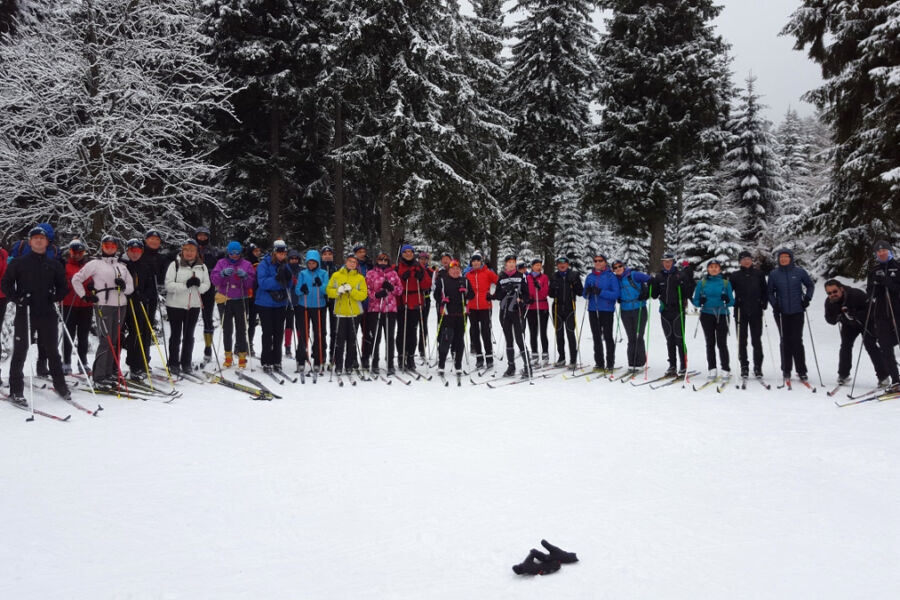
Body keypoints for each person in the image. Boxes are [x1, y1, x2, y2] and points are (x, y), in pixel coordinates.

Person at [0, 226, 71, 404]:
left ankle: (61, 385)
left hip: (47, 312)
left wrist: (55, 297)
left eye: (42, 238)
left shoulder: (54, 264)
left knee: (53, 351)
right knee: (21, 351)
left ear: (47, 242)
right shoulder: (19, 263)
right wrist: (18, 298)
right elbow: (6, 284)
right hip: (26, 312)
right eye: (35, 238)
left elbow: (63, 287)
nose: (39, 241)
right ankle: (16, 390)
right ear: (30, 242)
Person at [71, 235, 135, 388]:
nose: (110, 248)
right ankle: (99, 375)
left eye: (113, 246)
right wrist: (85, 296)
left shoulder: (122, 266)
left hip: (120, 304)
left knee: (115, 340)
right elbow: (76, 279)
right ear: (102, 247)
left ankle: (109, 372)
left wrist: (124, 287)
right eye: (107, 245)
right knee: (105, 341)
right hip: (104, 304)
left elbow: (131, 287)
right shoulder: (95, 264)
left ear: (117, 248)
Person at [823, 279, 888, 386]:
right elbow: (830, 320)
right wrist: (838, 316)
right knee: (845, 346)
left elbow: (872, 309)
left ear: (841, 289)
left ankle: (883, 377)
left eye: (835, 291)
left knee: (870, 346)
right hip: (849, 325)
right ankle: (843, 375)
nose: (832, 295)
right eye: (829, 293)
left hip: (867, 323)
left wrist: (856, 314)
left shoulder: (855, 294)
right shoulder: (829, 302)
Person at [162, 239, 210, 375]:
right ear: (182, 251)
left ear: (196, 252)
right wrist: (185, 285)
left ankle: (186, 362)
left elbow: (207, 285)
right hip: (175, 305)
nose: (189, 253)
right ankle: (173, 363)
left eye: (192, 250)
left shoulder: (202, 267)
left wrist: (198, 285)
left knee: (189, 335)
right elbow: (168, 285)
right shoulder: (175, 265)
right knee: (176, 335)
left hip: (194, 305)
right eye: (186, 250)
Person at [767, 248, 814, 382]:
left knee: (797, 340)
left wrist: (807, 299)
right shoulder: (774, 274)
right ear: (778, 259)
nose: (784, 259)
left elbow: (810, 285)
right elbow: (769, 292)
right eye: (781, 257)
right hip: (781, 312)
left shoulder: (799, 272)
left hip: (797, 310)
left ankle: (801, 370)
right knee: (785, 340)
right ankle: (786, 369)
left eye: (786, 257)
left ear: (791, 258)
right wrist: (774, 304)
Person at [210, 241, 255, 369]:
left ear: (240, 253)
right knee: (227, 329)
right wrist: (222, 274)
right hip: (225, 299)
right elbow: (214, 279)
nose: (234, 255)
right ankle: (228, 356)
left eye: (237, 252)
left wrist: (245, 277)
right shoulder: (221, 263)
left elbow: (251, 283)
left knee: (241, 328)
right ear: (228, 253)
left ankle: (242, 356)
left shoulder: (246, 264)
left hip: (241, 298)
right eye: (232, 253)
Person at [651, 252, 695, 377]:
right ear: (662, 262)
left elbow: (688, 291)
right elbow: (654, 295)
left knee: (679, 339)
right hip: (665, 311)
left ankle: (683, 364)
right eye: (665, 261)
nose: (667, 263)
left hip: (678, 310)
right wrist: (651, 284)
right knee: (669, 339)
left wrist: (687, 280)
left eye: (669, 261)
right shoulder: (659, 276)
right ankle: (672, 365)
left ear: (673, 262)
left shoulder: (680, 275)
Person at [120, 238, 157, 382]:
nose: (135, 254)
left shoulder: (144, 266)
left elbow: (150, 288)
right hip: (123, 303)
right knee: (119, 334)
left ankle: (135, 365)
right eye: (132, 250)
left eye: (138, 251)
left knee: (137, 334)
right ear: (127, 250)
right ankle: (112, 366)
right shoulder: (122, 264)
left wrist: (144, 295)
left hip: (138, 304)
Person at [692, 259, 734, 379]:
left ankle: (725, 368)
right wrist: (700, 301)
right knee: (710, 343)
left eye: (716, 267)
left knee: (722, 343)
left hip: (722, 314)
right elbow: (695, 301)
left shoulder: (726, 283)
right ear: (708, 269)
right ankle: (712, 368)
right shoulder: (702, 283)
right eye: (711, 267)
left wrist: (727, 300)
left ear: (719, 269)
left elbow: (732, 301)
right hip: (706, 314)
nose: (714, 269)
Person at [254, 239, 292, 373]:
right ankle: (266, 360)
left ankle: (277, 360)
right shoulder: (264, 264)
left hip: (280, 303)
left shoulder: (285, 265)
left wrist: (287, 278)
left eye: (284, 253)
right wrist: (277, 278)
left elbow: (289, 284)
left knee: (278, 332)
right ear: (274, 252)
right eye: (279, 253)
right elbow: (262, 283)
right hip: (265, 302)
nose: (282, 255)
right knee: (267, 332)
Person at [729, 250, 768, 378]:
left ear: (752, 260)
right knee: (742, 341)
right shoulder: (735, 275)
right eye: (743, 259)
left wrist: (764, 302)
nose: (746, 261)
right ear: (740, 261)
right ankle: (744, 366)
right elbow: (729, 293)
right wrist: (733, 302)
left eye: (748, 258)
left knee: (756, 340)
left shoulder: (759, 274)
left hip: (756, 310)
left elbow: (764, 290)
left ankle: (758, 367)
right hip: (741, 311)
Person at [361, 251, 402, 374]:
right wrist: (376, 294)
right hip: (375, 309)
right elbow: (366, 290)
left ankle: (390, 363)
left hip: (390, 310)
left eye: (385, 260)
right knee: (376, 337)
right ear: (377, 261)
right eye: (381, 260)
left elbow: (400, 290)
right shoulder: (371, 273)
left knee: (389, 337)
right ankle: (374, 362)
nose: (383, 262)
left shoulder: (393, 274)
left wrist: (392, 288)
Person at [326, 254, 368, 374]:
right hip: (340, 312)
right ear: (346, 262)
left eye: (354, 262)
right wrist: (338, 291)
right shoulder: (336, 275)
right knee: (339, 340)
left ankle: (349, 365)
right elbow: (329, 291)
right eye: (350, 261)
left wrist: (352, 291)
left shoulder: (360, 278)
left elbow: (363, 295)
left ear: (356, 265)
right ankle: (338, 365)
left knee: (351, 340)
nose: (352, 264)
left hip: (354, 313)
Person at [866, 240, 900, 387]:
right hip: (881, 314)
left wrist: (889, 284)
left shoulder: (898, 267)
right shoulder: (874, 270)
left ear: (889, 251)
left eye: (884, 251)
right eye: (879, 252)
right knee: (885, 347)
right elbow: (869, 294)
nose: (882, 253)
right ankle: (896, 380)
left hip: (897, 312)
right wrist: (875, 286)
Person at [433, 260, 474, 375]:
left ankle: (458, 364)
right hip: (447, 314)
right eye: (453, 269)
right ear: (449, 270)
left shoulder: (464, 281)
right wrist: (442, 300)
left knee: (459, 340)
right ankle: (441, 364)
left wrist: (465, 292)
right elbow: (436, 295)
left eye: (457, 269)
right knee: (446, 339)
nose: (455, 271)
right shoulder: (442, 280)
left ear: (460, 270)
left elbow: (472, 295)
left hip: (461, 315)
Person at [395, 244, 431, 371]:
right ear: (402, 254)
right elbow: (393, 283)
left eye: (410, 252)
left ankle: (410, 356)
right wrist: (401, 278)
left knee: (412, 331)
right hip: (402, 301)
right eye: (406, 252)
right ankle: (401, 356)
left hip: (416, 302)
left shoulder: (419, 267)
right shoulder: (397, 266)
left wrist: (421, 278)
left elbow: (427, 284)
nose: (408, 254)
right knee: (401, 331)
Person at [493, 254, 531, 377]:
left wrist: (522, 299)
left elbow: (527, 295)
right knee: (509, 339)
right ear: (505, 264)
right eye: (509, 262)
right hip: (504, 312)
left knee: (520, 339)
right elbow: (498, 295)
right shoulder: (501, 277)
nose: (511, 264)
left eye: (513, 262)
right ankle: (511, 367)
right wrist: (504, 290)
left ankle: (528, 366)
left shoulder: (521, 276)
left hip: (516, 311)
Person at [612, 259, 651, 373]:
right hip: (625, 310)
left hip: (639, 308)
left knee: (639, 335)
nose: (618, 269)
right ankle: (632, 362)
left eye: (620, 266)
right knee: (631, 337)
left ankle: (640, 362)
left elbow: (651, 280)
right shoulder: (615, 280)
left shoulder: (633, 275)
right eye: (615, 268)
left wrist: (646, 293)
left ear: (623, 266)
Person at [61, 239, 93, 375]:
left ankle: (82, 362)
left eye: (81, 252)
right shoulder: (65, 265)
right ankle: (66, 362)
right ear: (70, 252)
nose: (78, 255)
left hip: (86, 305)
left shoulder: (89, 266)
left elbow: (94, 281)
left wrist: (92, 287)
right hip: (69, 303)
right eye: (75, 252)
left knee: (83, 335)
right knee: (68, 334)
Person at [583, 253, 620, 371]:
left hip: (607, 310)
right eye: (595, 261)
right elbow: (585, 295)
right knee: (596, 337)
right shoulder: (590, 277)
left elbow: (616, 294)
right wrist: (588, 292)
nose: (597, 263)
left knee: (608, 336)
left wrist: (600, 292)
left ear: (605, 262)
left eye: (600, 261)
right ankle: (599, 363)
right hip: (593, 310)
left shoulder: (611, 276)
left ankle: (610, 363)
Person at [296, 249, 329, 372]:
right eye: (309, 263)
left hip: (319, 306)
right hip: (304, 306)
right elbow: (297, 290)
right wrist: (302, 289)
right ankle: (301, 359)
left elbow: (327, 290)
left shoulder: (324, 273)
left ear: (318, 263)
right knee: (304, 333)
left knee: (319, 333)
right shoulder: (303, 273)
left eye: (313, 263)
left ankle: (318, 359)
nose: (311, 265)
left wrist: (321, 285)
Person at [194, 226, 223, 363]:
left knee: (207, 317)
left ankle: (208, 347)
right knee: (190, 318)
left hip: (209, 287)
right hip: (192, 287)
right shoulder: (191, 249)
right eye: (200, 236)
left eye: (205, 236)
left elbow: (220, 265)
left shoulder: (214, 251)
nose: (202, 238)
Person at [465, 252, 498, 370]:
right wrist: (467, 296)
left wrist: (493, 295)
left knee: (486, 332)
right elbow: (464, 289)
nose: (476, 263)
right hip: (472, 307)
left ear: (481, 262)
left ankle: (489, 358)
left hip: (485, 307)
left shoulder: (488, 272)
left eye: (478, 261)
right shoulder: (468, 275)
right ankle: (479, 358)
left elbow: (499, 282)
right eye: (474, 261)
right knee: (474, 333)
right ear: (471, 263)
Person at [548, 256, 583, 367]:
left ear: (568, 264)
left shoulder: (574, 275)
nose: (562, 265)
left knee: (570, 333)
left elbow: (580, 292)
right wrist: (553, 287)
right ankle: (561, 357)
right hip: (557, 308)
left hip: (569, 308)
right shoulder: (554, 276)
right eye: (559, 263)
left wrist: (575, 283)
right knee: (559, 333)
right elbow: (551, 294)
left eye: (564, 263)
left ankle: (573, 359)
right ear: (557, 265)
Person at [526, 258, 550, 365]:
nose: (538, 267)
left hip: (542, 306)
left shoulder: (544, 277)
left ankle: (545, 353)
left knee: (543, 332)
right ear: (532, 267)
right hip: (531, 307)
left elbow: (545, 293)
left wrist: (539, 287)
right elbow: (525, 291)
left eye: (540, 265)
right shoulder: (528, 278)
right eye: (536, 265)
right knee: (533, 332)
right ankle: (534, 354)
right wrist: (527, 298)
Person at [283, 249, 304, 361]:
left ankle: (300, 346)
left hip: (299, 301)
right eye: (292, 258)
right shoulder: (285, 268)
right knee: (289, 324)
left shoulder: (301, 270)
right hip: (288, 300)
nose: (294, 260)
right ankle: (287, 346)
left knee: (299, 324)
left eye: (296, 258)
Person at [245, 242, 264, 357]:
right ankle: (239, 344)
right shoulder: (246, 263)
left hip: (256, 296)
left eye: (258, 251)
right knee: (242, 321)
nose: (257, 253)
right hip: (245, 294)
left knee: (252, 321)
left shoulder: (260, 264)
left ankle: (249, 343)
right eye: (255, 251)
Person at [320, 245, 338, 364]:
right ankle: (321, 354)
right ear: (321, 256)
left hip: (334, 299)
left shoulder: (336, 269)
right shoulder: (318, 268)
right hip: (320, 299)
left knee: (334, 328)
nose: (327, 256)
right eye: (325, 254)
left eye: (329, 254)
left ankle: (333, 354)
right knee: (321, 329)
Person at [417, 251, 434, 360]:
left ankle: (422, 348)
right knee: (413, 324)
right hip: (415, 299)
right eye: (421, 258)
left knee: (423, 324)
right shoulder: (416, 269)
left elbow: (433, 285)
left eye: (425, 259)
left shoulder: (430, 271)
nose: (423, 260)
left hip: (426, 299)